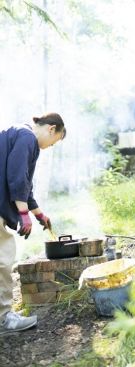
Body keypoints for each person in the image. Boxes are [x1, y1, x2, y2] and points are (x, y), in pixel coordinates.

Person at [0, 113, 66, 334]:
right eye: (54, 141)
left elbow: (24, 185)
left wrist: (39, 214)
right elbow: (16, 177)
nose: (50, 146)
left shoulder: (19, 134)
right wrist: (23, 214)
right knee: (3, 259)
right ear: (51, 129)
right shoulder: (28, 137)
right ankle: (3, 319)